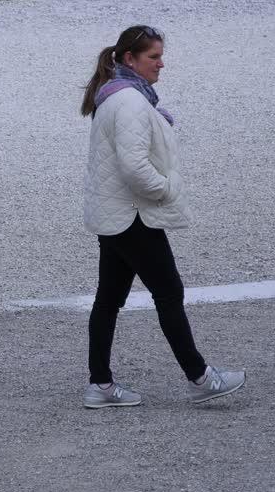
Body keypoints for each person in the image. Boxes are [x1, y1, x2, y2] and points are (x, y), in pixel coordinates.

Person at [80, 25, 246, 408]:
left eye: (160, 55)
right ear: (129, 59)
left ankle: (100, 386)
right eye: (153, 57)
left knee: (108, 299)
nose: (161, 63)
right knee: (168, 291)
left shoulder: (116, 97)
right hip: (133, 216)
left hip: (115, 214)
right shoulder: (132, 103)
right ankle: (200, 378)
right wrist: (167, 188)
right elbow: (135, 166)